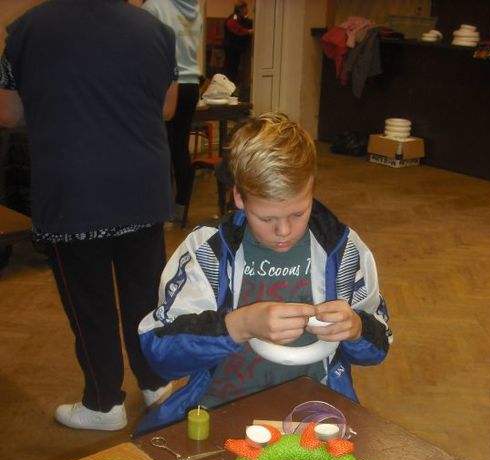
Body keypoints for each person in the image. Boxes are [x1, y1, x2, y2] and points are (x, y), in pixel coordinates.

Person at [136, 112, 392, 435]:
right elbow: (160, 355)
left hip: (315, 414)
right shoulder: (208, 251)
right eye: (267, 218)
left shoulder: (342, 250)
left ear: (312, 189)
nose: (284, 231)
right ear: (239, 197)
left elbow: (379, 347)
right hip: (221, 410)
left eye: (298, 213)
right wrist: (239, 325)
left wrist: (355, 328)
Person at [0, 0, 179, 431]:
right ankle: (155, 383)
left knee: (89, 302)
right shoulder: (155, 30)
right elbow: (167, 108)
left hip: (74, 192)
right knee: (145, 296)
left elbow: (7, 112)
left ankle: (103, 403)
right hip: (141, 188)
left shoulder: (27, 29)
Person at [142, 0, 203, 224]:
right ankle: (181, 208)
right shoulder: (195, 8)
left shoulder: (154, 7)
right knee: (180, 148)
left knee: (162, 148)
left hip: (168, 84)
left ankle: (163, 210)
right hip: (191, 84)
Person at [222, 2, 253, 87]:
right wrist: (248, 31)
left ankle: (231, 86)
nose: (247, 10)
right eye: (245, 8)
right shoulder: (234, 17)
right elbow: (233, 26)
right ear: (240, 9)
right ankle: (227, 86)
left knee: (234, 67)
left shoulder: (238, 17)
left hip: (235, 48)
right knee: (230, 68)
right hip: (231, 48)